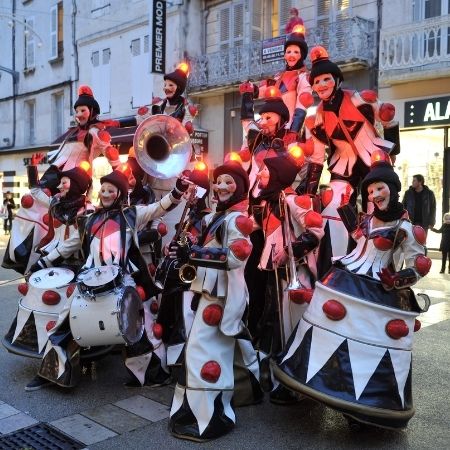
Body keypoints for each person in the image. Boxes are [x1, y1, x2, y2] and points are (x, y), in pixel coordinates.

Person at [273, 153, 431, 430]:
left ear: (393, 189)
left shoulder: (406, 228)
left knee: (364, 346)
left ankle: (362, 406)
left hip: (378, 290)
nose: (375, 194)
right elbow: (357, 242)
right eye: (370, 190)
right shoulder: (367, 220)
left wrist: (396, 279)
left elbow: (419, 266)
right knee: (321, 330)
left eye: (379, 188)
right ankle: (303, 386)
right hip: (344, 278)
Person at [32, 168, 189, 390]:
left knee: (140, 325)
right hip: (89, 279)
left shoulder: (132, 214)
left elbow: (159, 207)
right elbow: (70, 244)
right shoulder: (88, 220)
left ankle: (154, 374)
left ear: (120, 193)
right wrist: (44, 262)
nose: (105, 194)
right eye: (103, 189)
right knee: (64, 322)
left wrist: (178, 189)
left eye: (110, 190)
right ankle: (52, 373)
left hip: (124, 279)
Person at [169, 161, 261, 442]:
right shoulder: (215, 217)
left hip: (221, 297)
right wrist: (185, 251)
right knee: (203, 351)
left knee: (202, 353)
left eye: (228, 183)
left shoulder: (237, 219)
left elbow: (237, 256)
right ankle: (202, 409)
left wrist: (194, 253)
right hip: (208, 293)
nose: (220, 187)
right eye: (217, 181)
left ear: (241, 188)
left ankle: (211, 418)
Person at [301, 46, 401, 277]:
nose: (322, 85)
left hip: (372, 161)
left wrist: (393, 152)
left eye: (327, 79)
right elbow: (316, 156)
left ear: (336, 80)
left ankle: (379, 267)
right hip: (342, 163)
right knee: (333, 203)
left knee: (376, 209)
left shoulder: (358, 99)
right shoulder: (317, 116)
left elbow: (389, 119)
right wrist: (309, 189)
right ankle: (336, 264)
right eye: (317, 82)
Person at [4, 154, 92, 370]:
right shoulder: (57, 203)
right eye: (60, 181)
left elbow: (73, 242)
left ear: (76, 186)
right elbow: (36, 192)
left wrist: (47, 260)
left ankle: (69, 351)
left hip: (75, 264)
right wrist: (35, 167)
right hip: (54, 260)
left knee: (64, 306)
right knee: (37, 296)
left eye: (65, 182)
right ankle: (34, 339)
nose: (60, 185)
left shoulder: (86, 211)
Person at [251, 148, 324, 404]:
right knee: (272, 324)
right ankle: (276, 379)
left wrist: (290, 252)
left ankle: (292, 385)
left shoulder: (292, 199)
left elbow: (316, 230)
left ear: (278, 175)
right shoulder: (268, 201)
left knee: (290, 327)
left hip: (291, 274)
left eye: (266, 170)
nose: (260, 174)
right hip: (274, 272)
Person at [402, 174, 436, 239]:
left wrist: (431, 222)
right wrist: (404, 220)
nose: (412, 182)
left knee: (422, 242)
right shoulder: (408, 193)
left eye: (414, 181)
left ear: (420, 182)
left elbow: (433, 208)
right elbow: (403, 206)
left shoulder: (429, 193)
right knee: (410, 241)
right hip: (410, 222)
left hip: (424, 223)